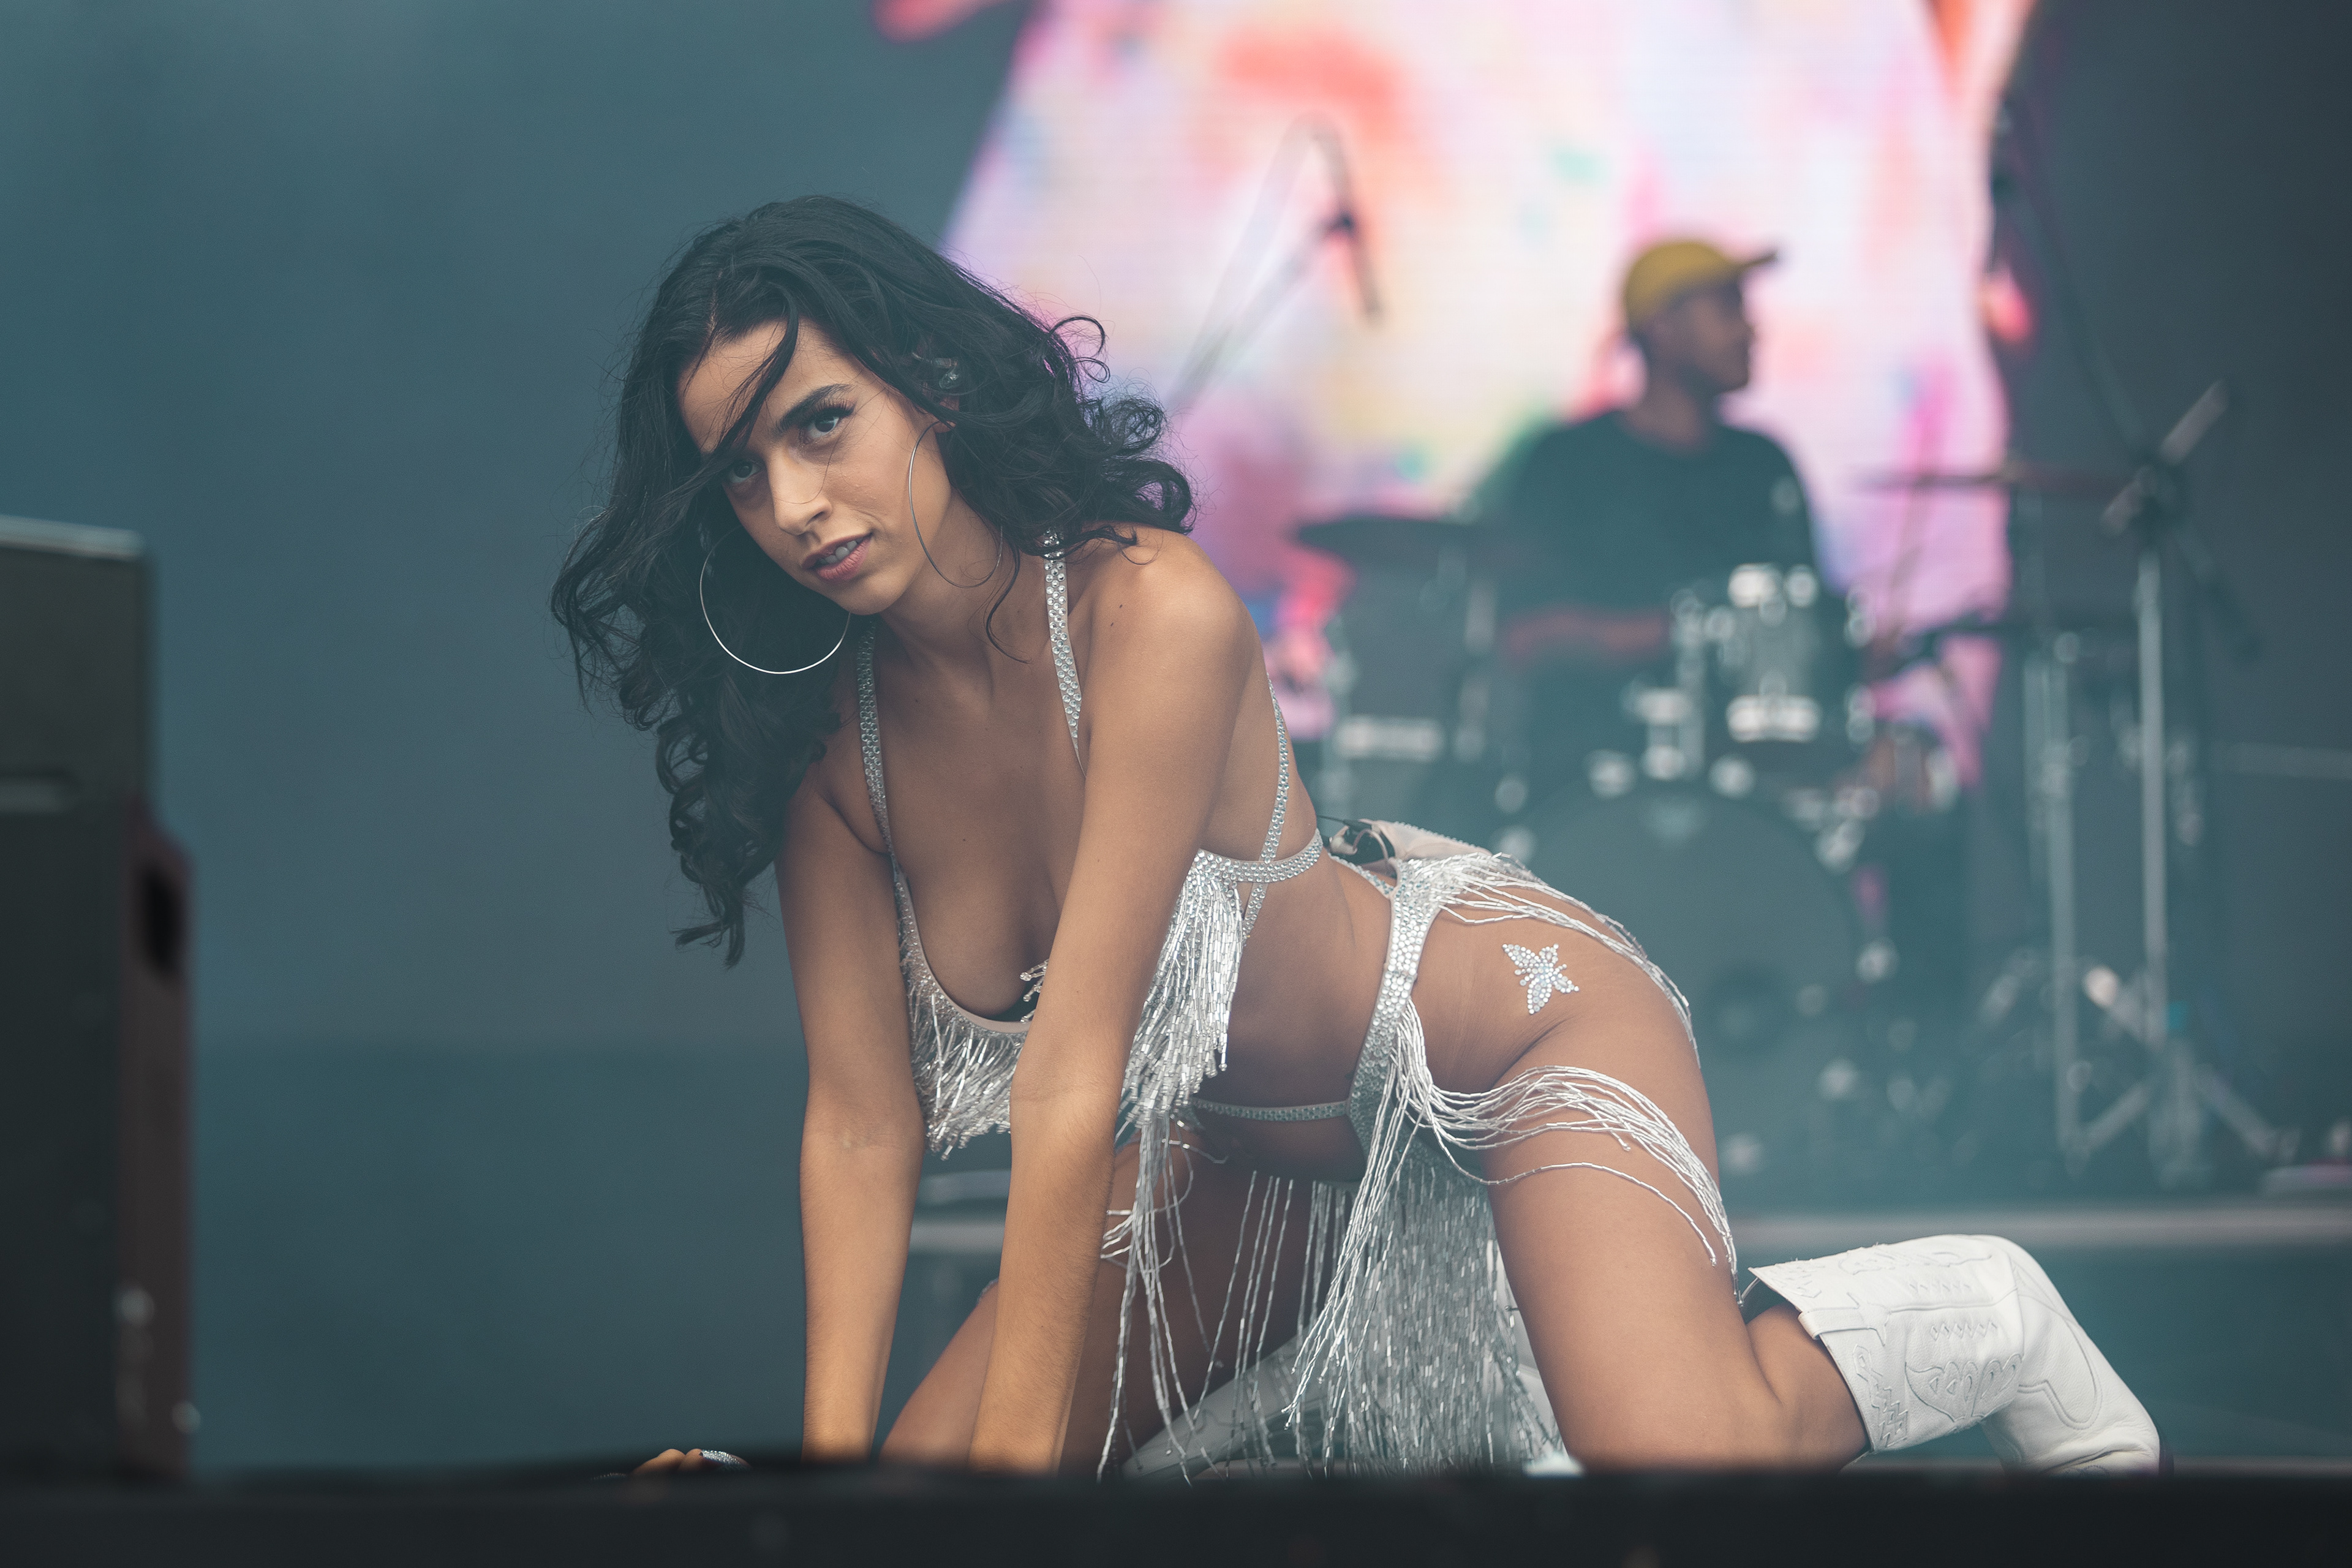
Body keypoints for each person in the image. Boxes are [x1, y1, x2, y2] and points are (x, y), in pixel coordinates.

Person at [555, 197, 2158, 1477]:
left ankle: (1988, 1306)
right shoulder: (838, 757)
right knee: (910, 1484)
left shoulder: (1146, 612)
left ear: (934, 390)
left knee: (1680, 1454)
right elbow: (860, 1129)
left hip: (1496, 1040)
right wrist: (833, 1489)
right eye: (743, 474)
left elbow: (1077, 1071)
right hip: (1251, 1157)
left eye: (823, 423)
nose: (795, 502)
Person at [1494, 239, 1819, 793]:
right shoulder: (1567, 462)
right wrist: (1695, 632)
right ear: (1663, 328)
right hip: (1589, 778)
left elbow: (1801, 624)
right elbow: (1524, 638)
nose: (1750, 331)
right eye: (1728, 309)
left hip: (1749, 780)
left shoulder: (1764, 466)